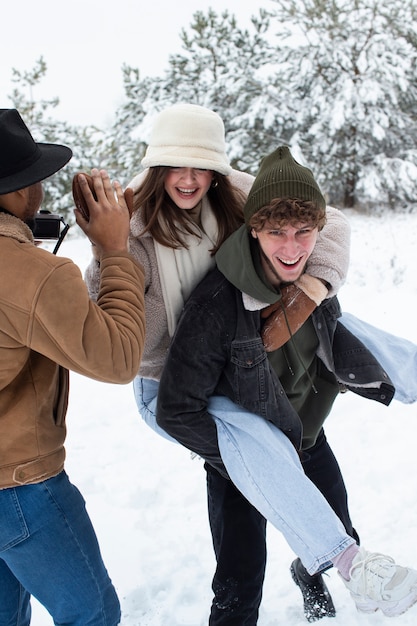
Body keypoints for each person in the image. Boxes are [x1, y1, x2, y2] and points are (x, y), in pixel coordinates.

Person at [83, 104, 359, 621]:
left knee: (332, 515)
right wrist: (107, 251)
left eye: (200, 165)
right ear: (157, 166)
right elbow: (112, 336)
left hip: (247, 369)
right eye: (175, 165)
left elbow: (328, 221)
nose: (188, 179)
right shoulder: (133, 228)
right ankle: (237, 604)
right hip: (172, 387)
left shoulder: (234, 192)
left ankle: (315, 562)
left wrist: (312, 287)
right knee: (243, 506)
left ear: (216, 167)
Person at [156, 144, 417, 620]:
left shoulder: (315, 274)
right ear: (254, 229)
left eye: (304, 231)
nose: (292, 247)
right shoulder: (215, 305)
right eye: (277, 232)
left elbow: (333, 338)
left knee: (340, 538)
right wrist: (246, 453)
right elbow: (175, 408)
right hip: (241, 464)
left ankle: (307, 572)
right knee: (239, 584)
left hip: (308, 439)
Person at [0, 109, 146, 625]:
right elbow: (120, 357)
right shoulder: (33, 276)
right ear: (19, 191)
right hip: (19, 487)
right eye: (36, 177)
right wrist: (113, 248)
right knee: (92, 614)